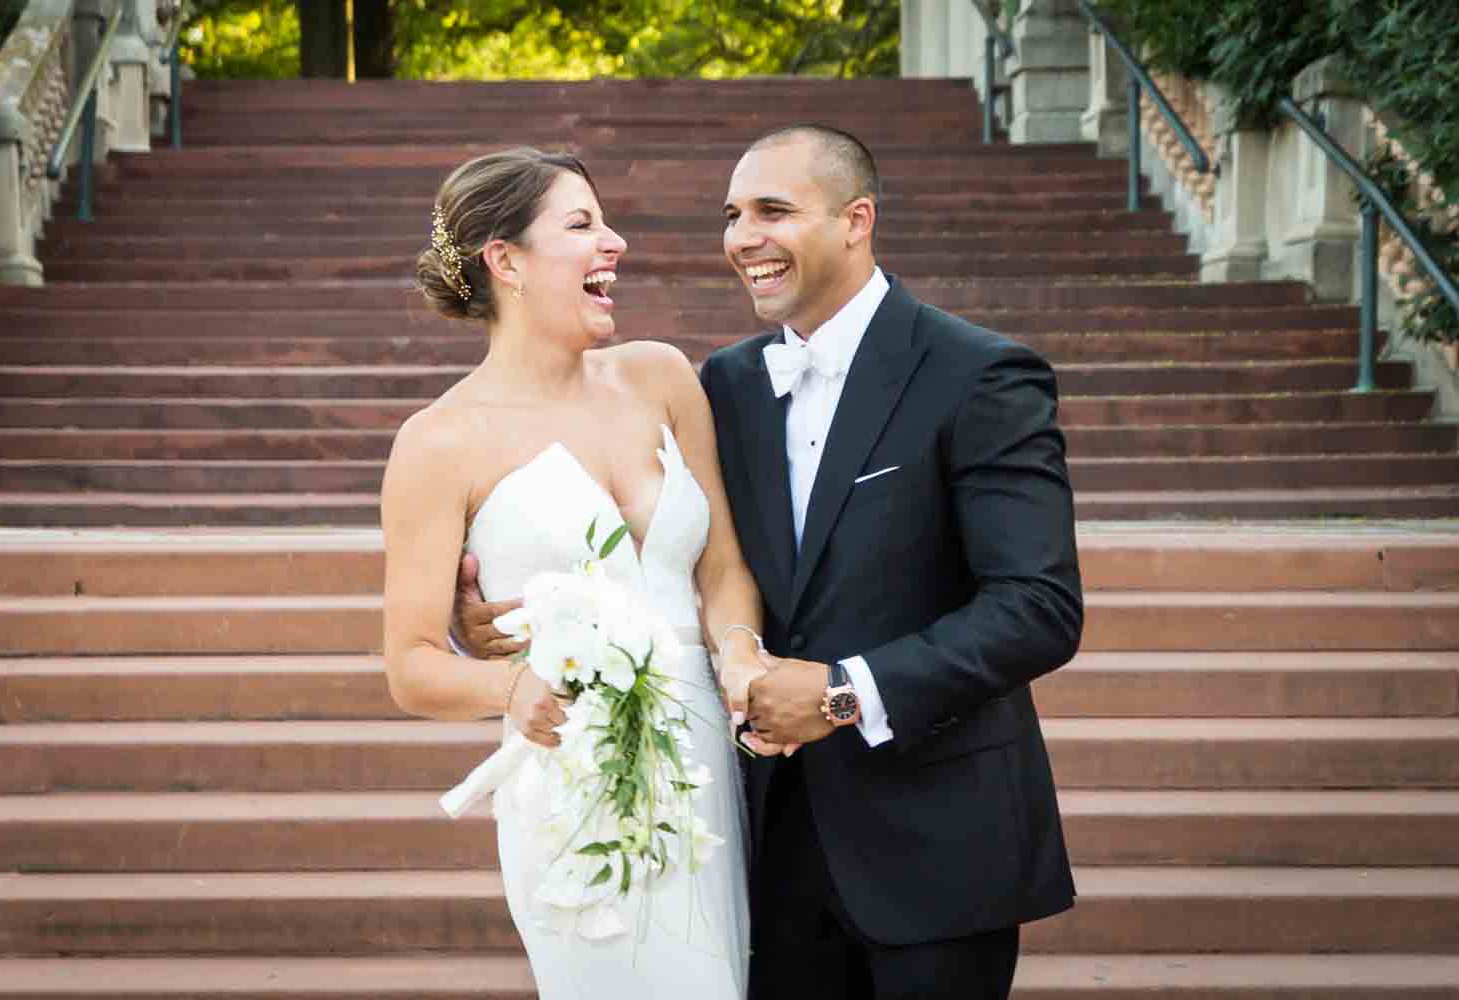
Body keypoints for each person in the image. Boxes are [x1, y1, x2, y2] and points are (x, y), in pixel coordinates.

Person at [454, 124, 1084, 1000]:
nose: (742, 237)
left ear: (857, 219)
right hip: (761, 845)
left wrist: (844, 691)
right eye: (732, 214)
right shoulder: (726, 385)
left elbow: (1038, 608)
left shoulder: (979, 375)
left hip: (940, 845)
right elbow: (690, 562)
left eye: (773, 211)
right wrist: (497, 613)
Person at [381, 147, 769, 1000]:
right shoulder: (438, 441)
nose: (616, 243)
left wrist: (740, 653)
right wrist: (509, 684)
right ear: (506, 260)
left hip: (703, 753)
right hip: (573, 775)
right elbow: (410, 664)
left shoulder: (662, 377)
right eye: (583, 224)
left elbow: (726, 569)